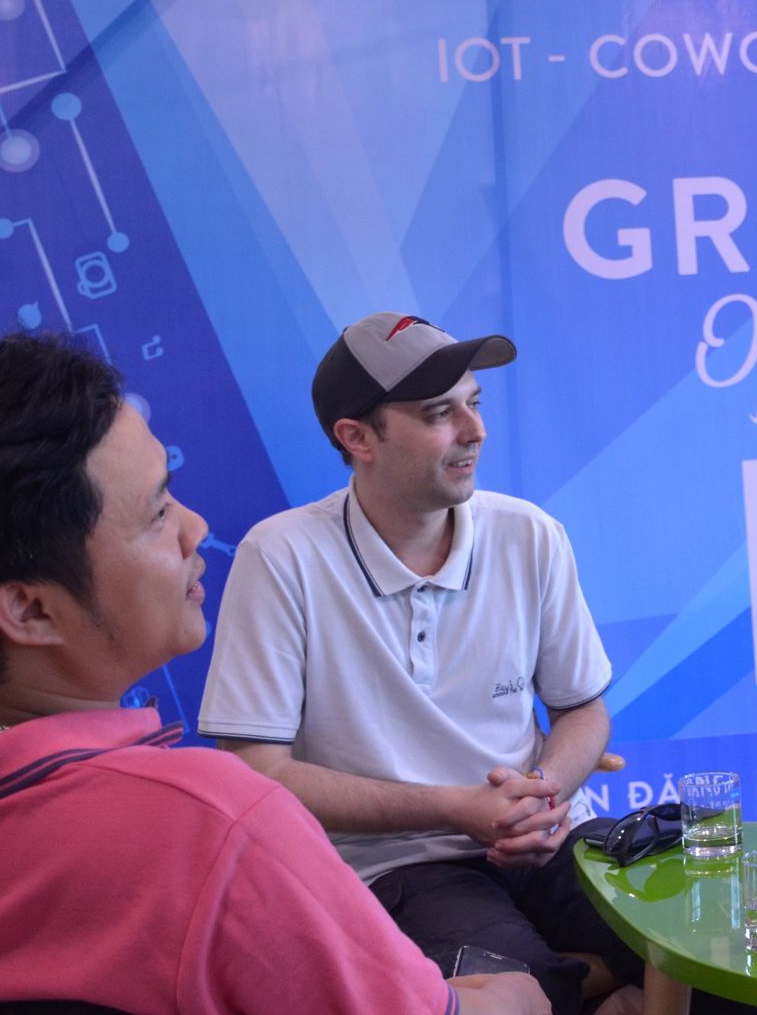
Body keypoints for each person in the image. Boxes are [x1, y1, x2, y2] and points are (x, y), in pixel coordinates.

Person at [0, 333, 545, 1014]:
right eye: (157, 512)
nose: (196, 528)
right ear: (31, 610)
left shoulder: (529, 533)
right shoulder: (210, 825)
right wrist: (520, 996)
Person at [198, 313, 634, 1015]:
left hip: (550, 841)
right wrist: (456, 809)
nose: (474, 430)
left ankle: (610, 989)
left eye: (474, 402)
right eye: (439, 413)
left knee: (716, 940)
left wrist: (544, 794)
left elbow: (582, 708)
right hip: (398, 865)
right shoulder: (280, 556)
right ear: (357, 437)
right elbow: (258, 769)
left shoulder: (530, 533)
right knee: (513, 992)